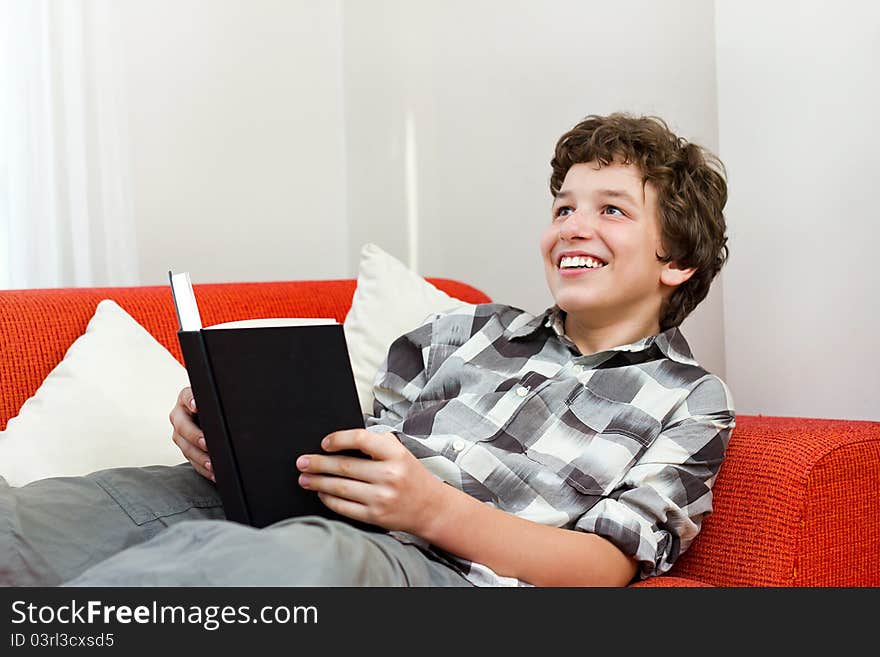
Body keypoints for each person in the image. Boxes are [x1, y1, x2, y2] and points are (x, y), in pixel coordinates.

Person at [1, 113, 734, 587]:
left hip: (422, 562)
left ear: (677, 260)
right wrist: (241, 440)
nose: (573, 225)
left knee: (281, 567)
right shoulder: (463, 329)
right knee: (48, 517)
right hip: (304, 509)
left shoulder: (688, 396)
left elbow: (606, 566)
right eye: (563, 207)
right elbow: (361, 444)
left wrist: (430, 509)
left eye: (610, 210)